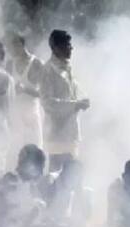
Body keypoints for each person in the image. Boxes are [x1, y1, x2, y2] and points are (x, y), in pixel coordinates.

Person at [39, 30, 90, 172]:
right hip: (57, 134)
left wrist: (83, 100)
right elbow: (47, 102)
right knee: (56, 175)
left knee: (72, 174)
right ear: (56, 47)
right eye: (67, 45)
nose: (71, 48)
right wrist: (76, 105)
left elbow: (74, 92)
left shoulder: (67, 68)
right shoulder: (48, 70)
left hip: (70, 132)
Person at [8, 34, 44, 151]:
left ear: (21, 45)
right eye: (10, 47)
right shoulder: (10, 64)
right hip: (15, 114)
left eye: (14, 47)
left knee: (35, 150)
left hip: (31, 114)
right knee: (16, 152)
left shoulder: (36, 63)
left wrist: (25, 89)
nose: (11, 51)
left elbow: (44, 92)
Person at [44, 158, 92, 227]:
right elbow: (45, 211)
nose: (73, 177)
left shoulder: (83, 192)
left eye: (77, 175)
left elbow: (87, 217)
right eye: (70, 173)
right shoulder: (52, 183)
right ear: (63, 173)